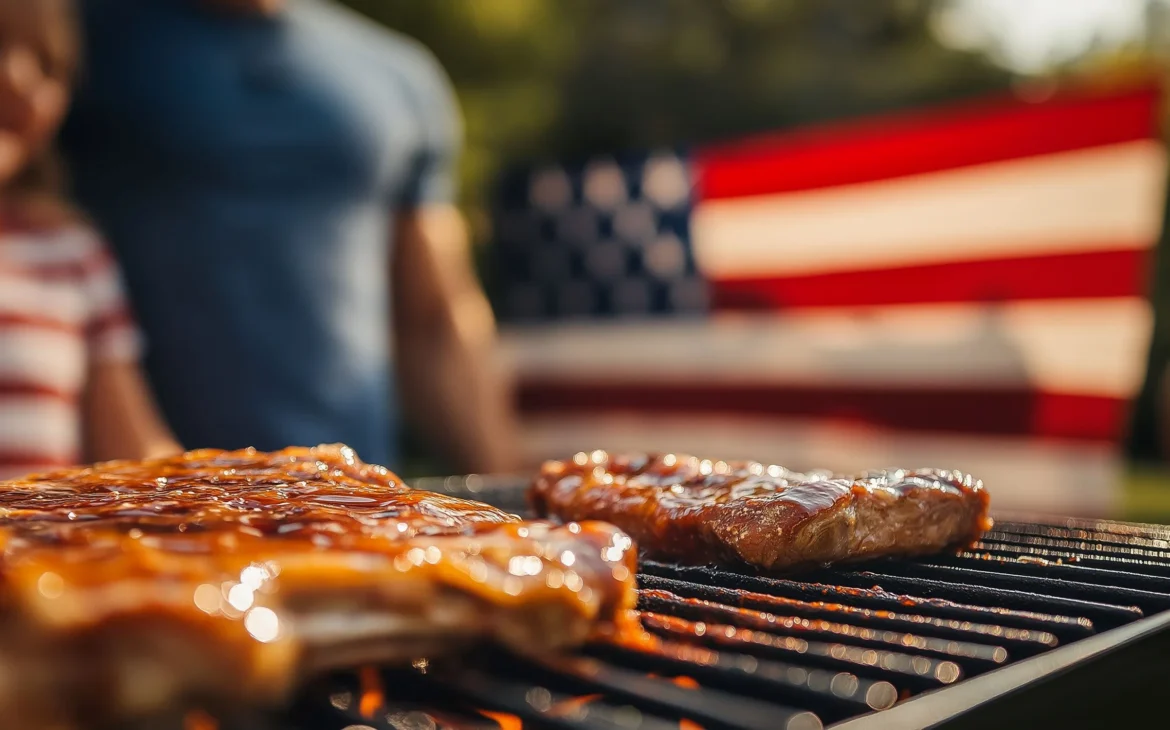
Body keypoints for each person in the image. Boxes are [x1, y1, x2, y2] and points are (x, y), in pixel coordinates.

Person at [62, 0, 521, 472]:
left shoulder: (398, 75)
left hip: (350, 500)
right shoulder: (77, 46)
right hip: (144, 502)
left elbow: (436, 322)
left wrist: (510, 494)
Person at [0, 0, 179, 478]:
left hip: (37, 529)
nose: (17, 78)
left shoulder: (69, 252)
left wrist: (254, 486)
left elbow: (137, 454)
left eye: (48, 65)